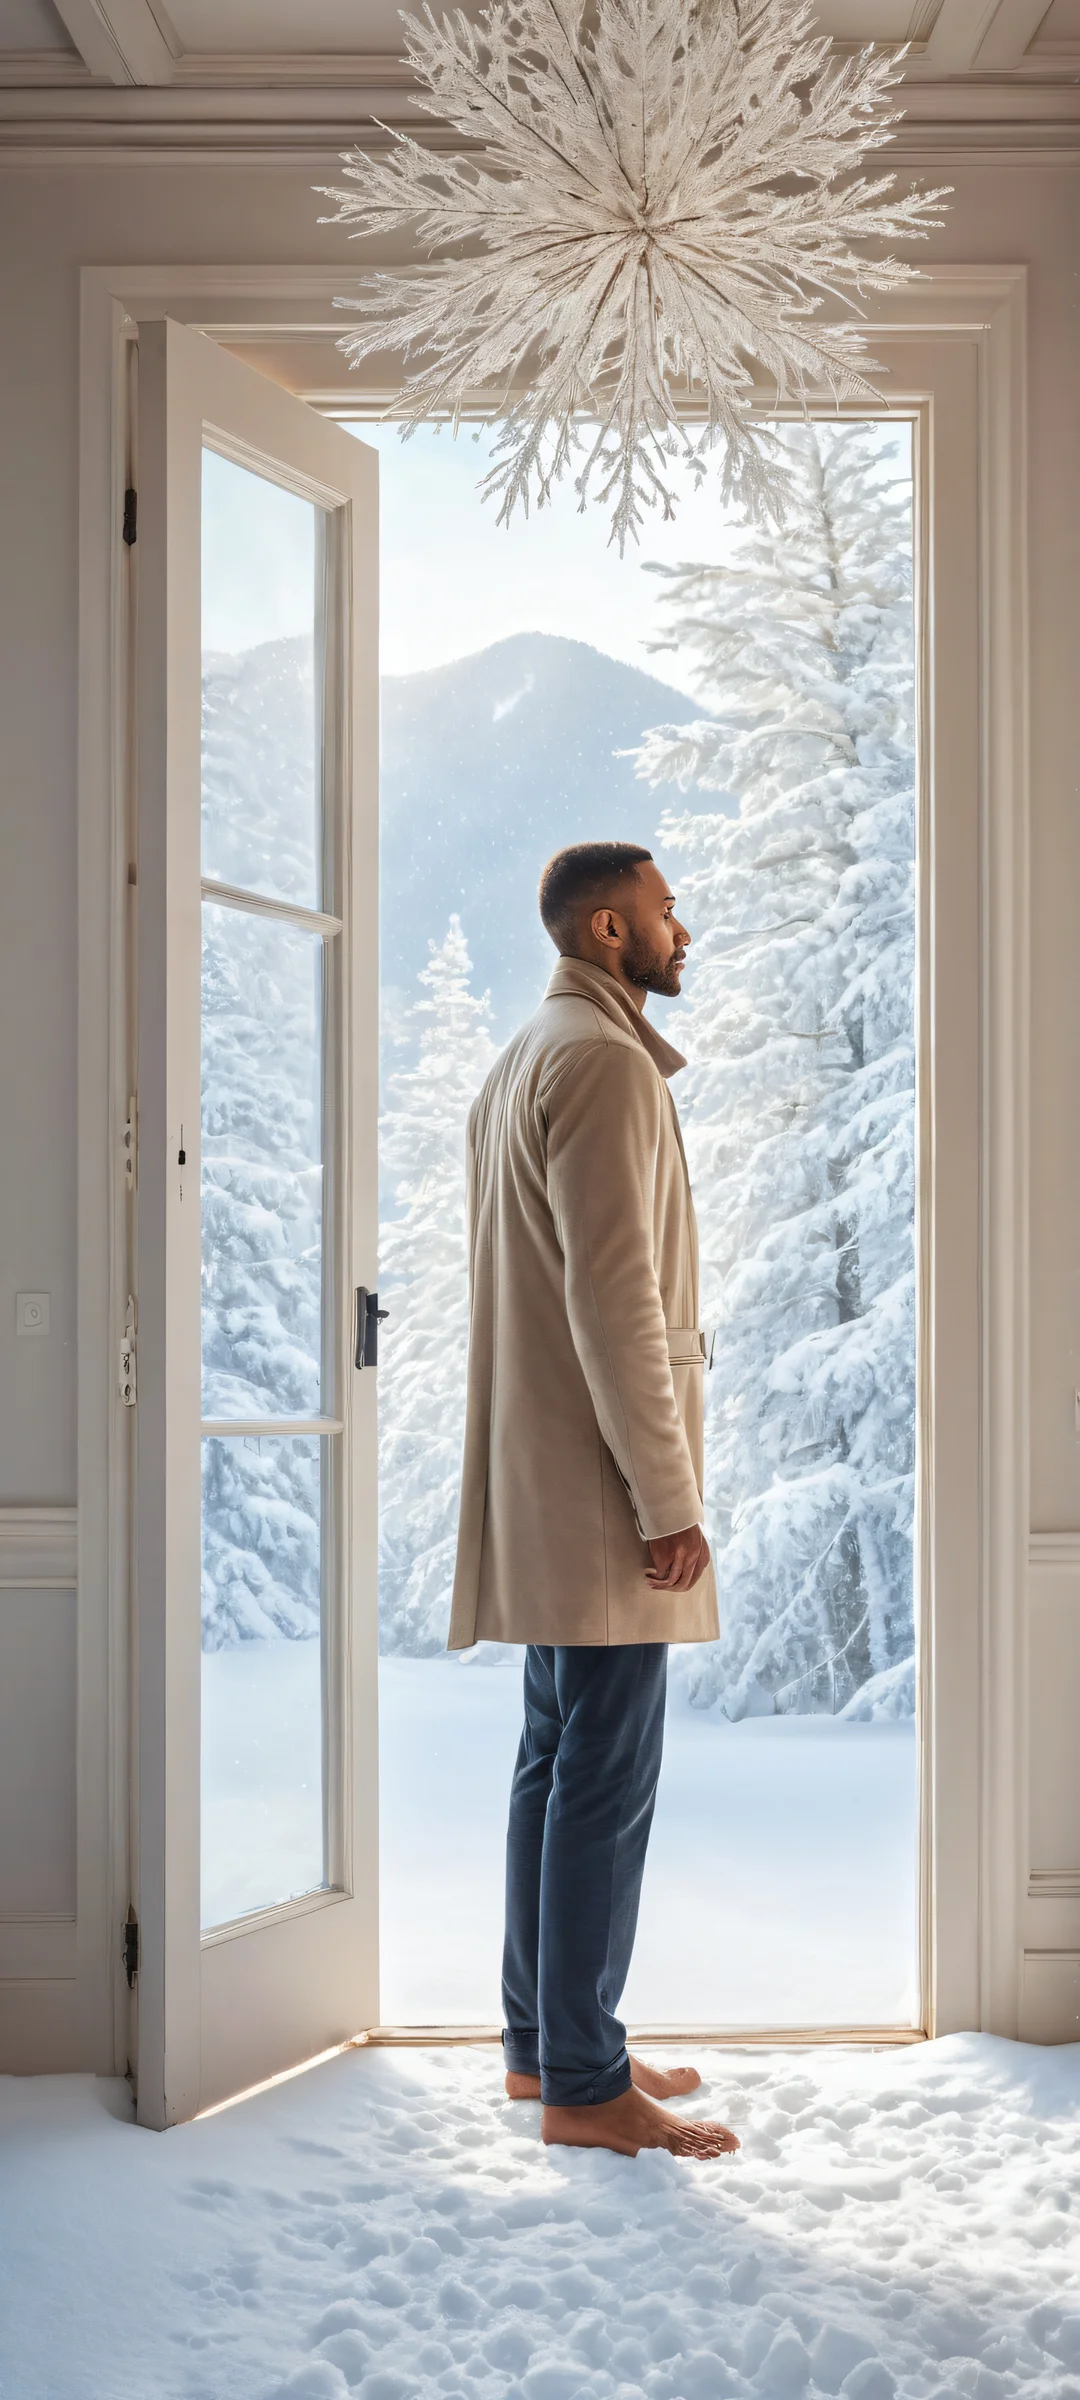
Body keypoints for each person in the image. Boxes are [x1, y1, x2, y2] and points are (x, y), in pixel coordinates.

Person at [448, 841, 740, 2160]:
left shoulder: (532, 1052)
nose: (684, 930)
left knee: (555, 1761)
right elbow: (617, 1305)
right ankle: (583, 2080)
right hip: (606, 1482)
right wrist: (668, 1499)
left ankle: (547, 2048)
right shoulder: (605, 1065)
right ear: (609, 930)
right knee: (603, 1778)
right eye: (666, 911)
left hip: (551, 1472)